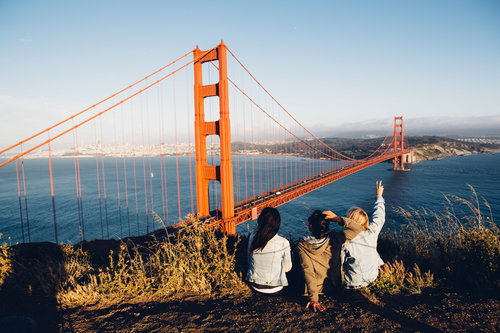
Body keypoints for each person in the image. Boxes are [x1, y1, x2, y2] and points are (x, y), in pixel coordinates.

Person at [297, 209, 364, 312]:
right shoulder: (336, 238)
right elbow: (358, 229)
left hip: (318, 289)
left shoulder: (302, 244)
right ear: (326, 225)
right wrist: (338, 219)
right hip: (335, 286)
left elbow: (307, 270)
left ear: (310, 226)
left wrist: (314, 299)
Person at [342, 180, 386, 289]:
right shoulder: (372, 232)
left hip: (352, 283)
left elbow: (339, 264)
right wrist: (379, 196)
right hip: (372, 277)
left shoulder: (344, 240)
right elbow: (379, 215)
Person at [246, 207, 292, 295]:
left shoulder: (252, 237)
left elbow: (248, 261)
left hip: (255, 285)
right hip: (275, 289)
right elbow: (287, 268)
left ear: (260, 221)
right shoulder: (283, 242)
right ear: (277, 224)